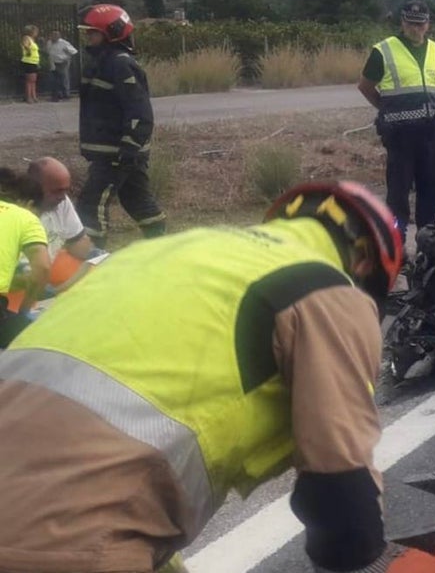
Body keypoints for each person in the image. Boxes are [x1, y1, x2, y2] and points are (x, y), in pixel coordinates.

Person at [0, 180, 406, 573]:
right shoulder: (325, 287)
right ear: (365, 261)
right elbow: (340, 489)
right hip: (68, 539)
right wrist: (363, 558)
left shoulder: (165, 253)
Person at [357, 0, 435, 232]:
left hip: (431, 133)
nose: (415, 29)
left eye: (420, 24)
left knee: (432, 190)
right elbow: (365, 85)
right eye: (411, 23)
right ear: (402, 22)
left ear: (428, 24)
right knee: (398, 196)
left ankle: (426, 244)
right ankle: (397, 248)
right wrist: (384, 108)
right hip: (400, 136)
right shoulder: (384, 50)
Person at [76, 3, 166, 248]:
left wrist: (129, 146)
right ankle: (161, 245)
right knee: (135, 198)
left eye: (93, 32)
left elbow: (139, 111)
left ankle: (93, 258)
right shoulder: (102, 62)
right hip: (115, 151)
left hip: (117, 152)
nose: (88, 37)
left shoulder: (120, 64)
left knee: (91, 203)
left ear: (111, 32)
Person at [27, 157, 99, 292]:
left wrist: (101, 259)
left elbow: (78, 244)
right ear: (33, 188)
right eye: (56, 191)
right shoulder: (14, 213)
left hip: (46, 274)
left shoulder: (61, 202)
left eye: (65, 190)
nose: (62, 196)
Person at [0, 167, 49, 346]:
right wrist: (24, 309)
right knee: (34, 343)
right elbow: (42, 269)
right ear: (29, 205)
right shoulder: (24, 217)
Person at [46, 29, 79, 101]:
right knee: (54, 80)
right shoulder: (49, 43)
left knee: (64, 78)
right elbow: (48, 52)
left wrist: (67, 58)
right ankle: (57, 95)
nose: (53, 37)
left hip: (62, 62)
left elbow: (73, 51)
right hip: (53, 62)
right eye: (52, 35)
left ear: (59, 36)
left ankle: (66, 95)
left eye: (55, 35)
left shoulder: (64, 43)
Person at [19, 24, 40, 104]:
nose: (36, 33)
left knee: (33, 80)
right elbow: (25, 45)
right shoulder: (26, 38)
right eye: (35, 31)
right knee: (29, 81)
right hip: (29, 62)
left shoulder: (32, 39)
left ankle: (34, 96)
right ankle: (29, 97)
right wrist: (28, 51)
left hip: (34, 61)